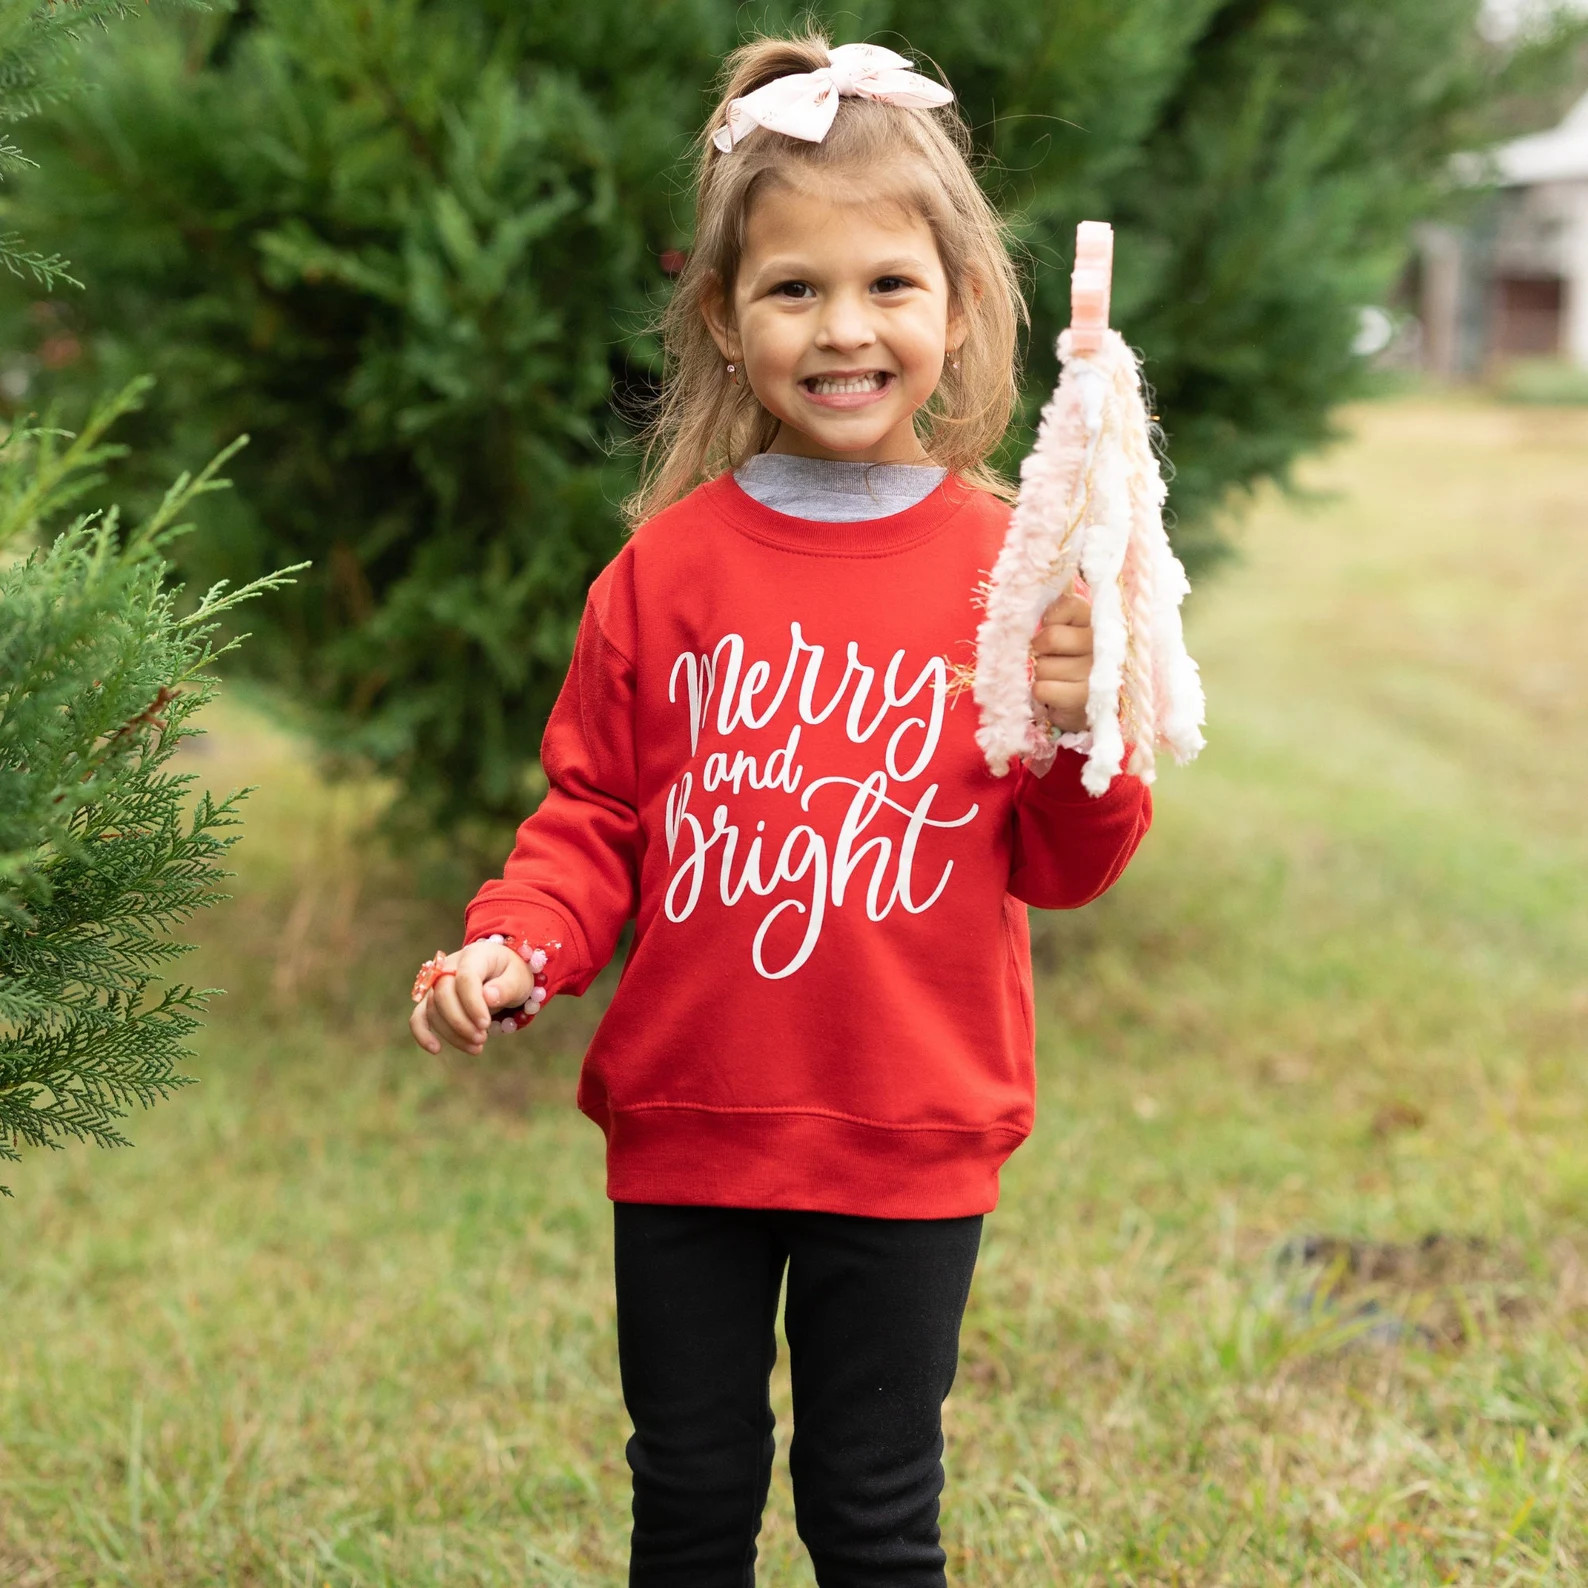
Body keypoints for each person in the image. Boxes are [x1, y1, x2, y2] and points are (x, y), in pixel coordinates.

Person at [409, 31, 1152, 1587]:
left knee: (873, 1515)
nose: (845, 329)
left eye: (890, 285)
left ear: (960, 304)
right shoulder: (666, 571)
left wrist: (1087, 728)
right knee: (686, 1498)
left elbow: (1066, 870)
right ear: (726, 321)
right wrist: (518, 947)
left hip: (909, 1125)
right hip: (690, 1130)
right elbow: (595, 815)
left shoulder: (1013, 574)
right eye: (794, 289)